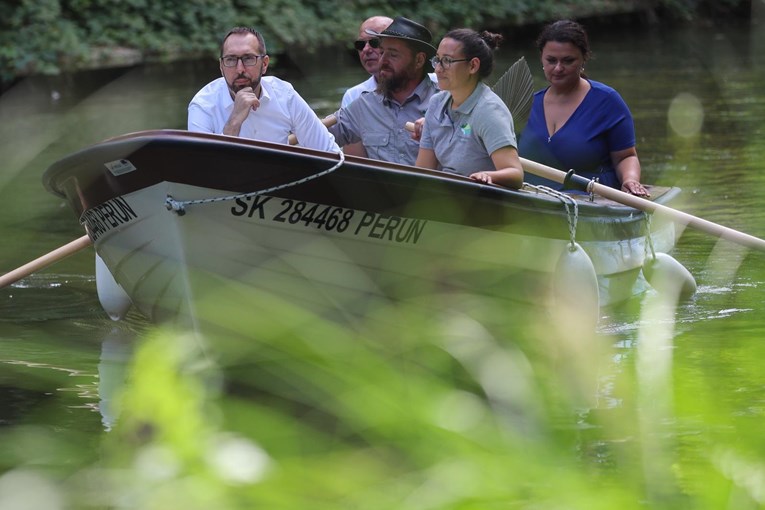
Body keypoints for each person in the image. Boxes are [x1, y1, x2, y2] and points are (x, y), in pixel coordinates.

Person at [518, 19, 648, 196]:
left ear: (583, 59)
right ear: (541, 58)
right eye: (551, 60)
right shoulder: (525, 106)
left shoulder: (607, 101)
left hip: (589, 201)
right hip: (534, 199)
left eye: (568, 61)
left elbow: (626, 156)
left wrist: (630, 180)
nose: (558, 68)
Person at [188, 26, 339, 152]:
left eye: (248, 58)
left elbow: (329, 151)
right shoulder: (203, 105)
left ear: (265, 64)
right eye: (231, 60)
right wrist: (234, 123)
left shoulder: (284, 95)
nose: (240, 69)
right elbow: (202, 169)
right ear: (221, 67)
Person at [415, 29, 524, 189]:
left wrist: (488, 175)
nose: (438, 69)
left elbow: (515, 174)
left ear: (473, 66)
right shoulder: (436, 104)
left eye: (447, 60)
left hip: (480, 199)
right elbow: (422, 171)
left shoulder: (489, 111)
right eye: (437, 60)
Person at [327, 16, 439, 165]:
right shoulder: (364, 104)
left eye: (392, 54)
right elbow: (315, 135)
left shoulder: (446, 103)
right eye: (381, 53)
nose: (383, 61)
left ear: (419, 60)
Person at [341, 16, 394, 108]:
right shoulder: (353, 96)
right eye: (360, 44)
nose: (366, 49)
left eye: (374, 42)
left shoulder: (426, 86)